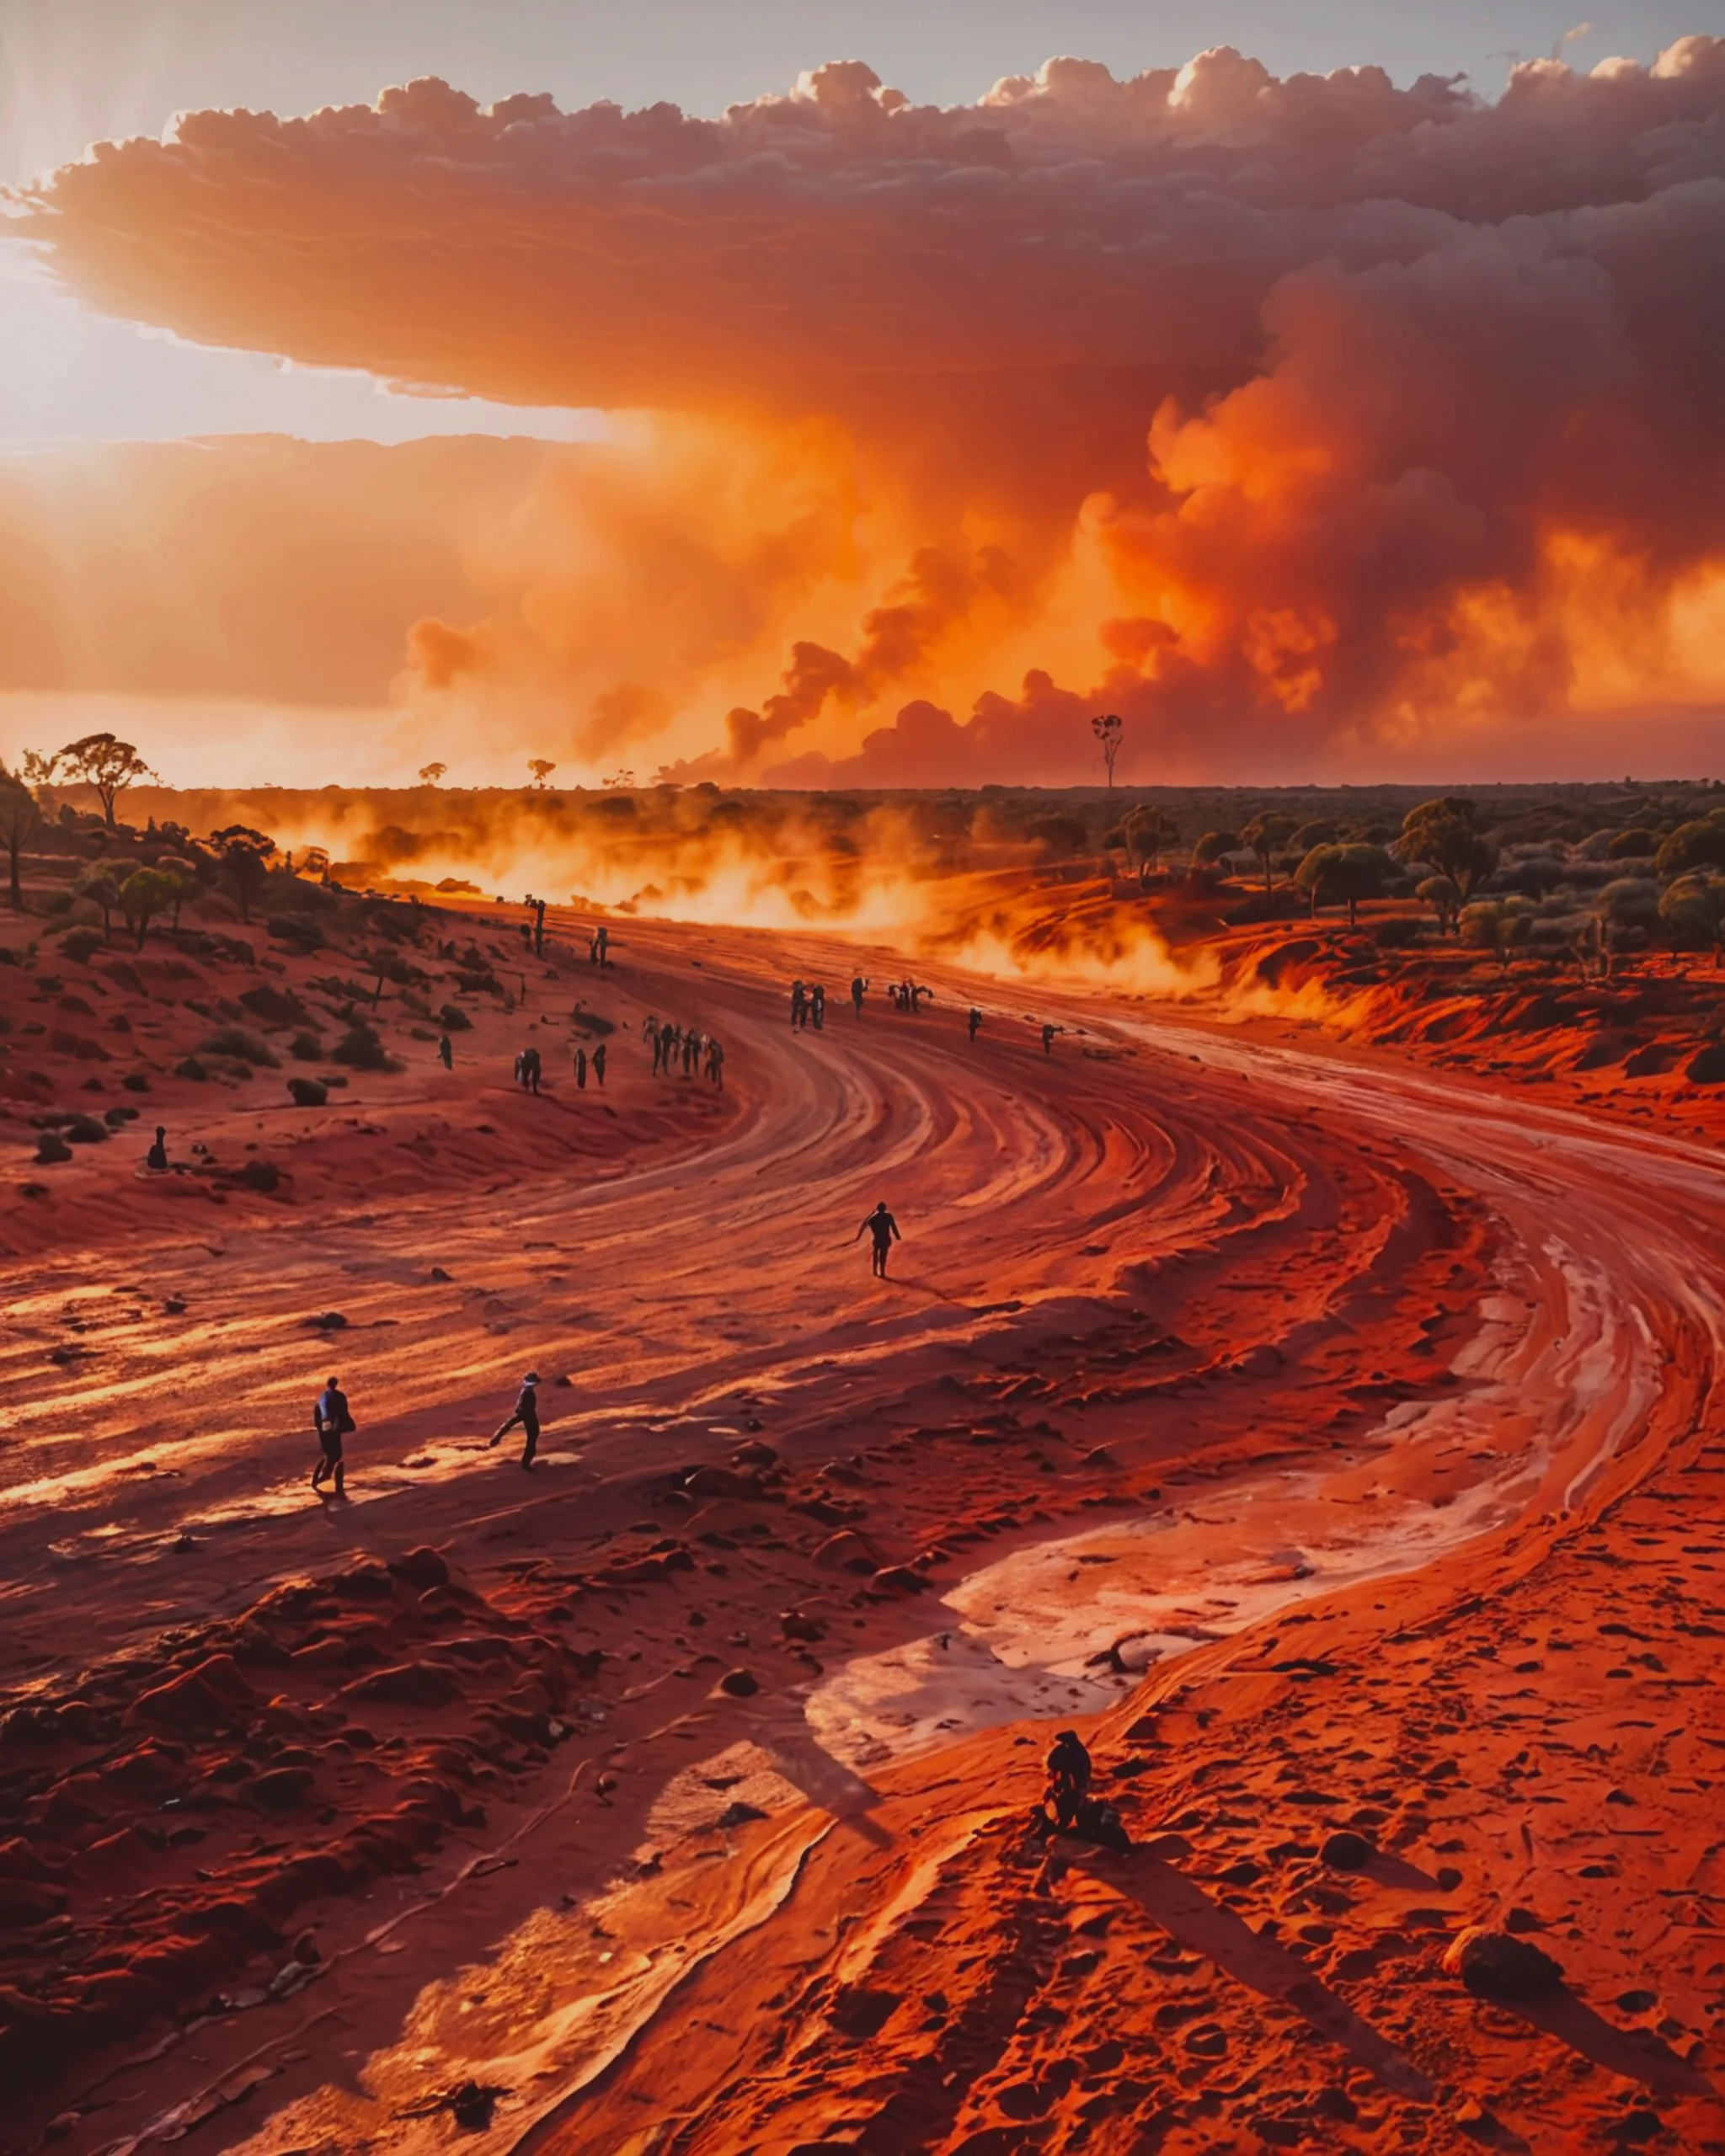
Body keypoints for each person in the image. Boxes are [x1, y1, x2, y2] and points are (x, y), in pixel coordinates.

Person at [489, 1370, 542, 1469]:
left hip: (526, 1414)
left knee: (530, 1436)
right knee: (532, 1438)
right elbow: (523, 1405)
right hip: (527, 1414)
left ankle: (495, 1440)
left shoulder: (526, 1391)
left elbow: (521, 1405)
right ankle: (525, 1464)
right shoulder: (527, 1392)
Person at [312, 1375, 354, 1496]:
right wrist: (341, 1425)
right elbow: (341, 1413)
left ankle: (328, 1477)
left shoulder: (322, 1398)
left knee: (332, 1453)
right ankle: (331, 1479)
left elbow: (318, 1412)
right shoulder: (338, 1397)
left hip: (326, 1426)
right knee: (335, 1454)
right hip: (332, 1425)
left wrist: (319, 1426)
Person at [1045, 1729, 1092, 1830]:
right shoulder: (1063, 1750)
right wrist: (1054, 1772)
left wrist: (1083, 1783)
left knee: (1075, 1802)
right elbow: (1051, 1762)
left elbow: (1084, 1769)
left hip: (1076, 1782)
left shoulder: (1078, 1751)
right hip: (1065, 1781)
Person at [854, 1200, 901, 1278]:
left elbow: (865, 1224)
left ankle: (875, 1272)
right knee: (883, 1255)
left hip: (878, 1240)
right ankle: (882, 1273)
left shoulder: (874, 1218)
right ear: (885, 1209)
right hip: (885, 1239)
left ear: (878, 1209)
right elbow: (894, 1227)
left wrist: (871, 1215)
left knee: (876, 1254)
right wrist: (897, 1236)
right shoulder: (888, 1216)